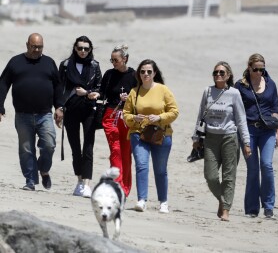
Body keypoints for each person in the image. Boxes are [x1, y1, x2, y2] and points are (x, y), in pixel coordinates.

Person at [0, 33, 64, 191]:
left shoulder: (49, 63)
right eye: (34, 46)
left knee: (49, 145)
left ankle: (43, 169)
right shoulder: (16, 62)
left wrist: (59, 107)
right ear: (27, 45)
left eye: (40, 47)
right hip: (23, 115)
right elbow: (3, 84)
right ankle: (30, 180)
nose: (37, 49)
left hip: (45, 114)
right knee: (26, 149)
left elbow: (57, 87)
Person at [192, 61, 251, 221]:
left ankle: (225, 209)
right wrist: (196, 137)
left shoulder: (234, 93)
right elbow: (200, 115)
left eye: (222, 73)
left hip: (230, 138)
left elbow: (241, 119)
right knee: (210, 176)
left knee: (228, 176)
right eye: (216, 72)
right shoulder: (208, 91)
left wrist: (246, 142)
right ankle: (223, 200)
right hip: (210, 138)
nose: (218, 75)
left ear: (228, 75)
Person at [123, 59, 179, 213]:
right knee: (141, 166)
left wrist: (159, 118)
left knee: (160, 169)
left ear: (154, 73)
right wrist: (135, 118)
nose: (146, 74)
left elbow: (174, 112)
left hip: (161, 135)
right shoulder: (134, 92)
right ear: (138, 74)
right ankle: (141, 200)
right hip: (138, 134)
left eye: (149, 71)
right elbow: (126, 115)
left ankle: (163, 202)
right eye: (142, 71)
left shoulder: (163, 90)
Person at [235, 53, 278, 218]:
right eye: (256, 69)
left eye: (262, 69)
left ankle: (268, 206)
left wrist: (277, 132)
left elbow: (274, 109)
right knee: (253, 169)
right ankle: (252, 209)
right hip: (248, 131)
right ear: (249, 67)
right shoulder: (240, 86)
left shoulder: (270, 84)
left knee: (266, 165)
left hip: (268, 130)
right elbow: (234, 109)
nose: (259, 72)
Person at [59, 36, 102, 198]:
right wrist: (59, 108)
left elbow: (100, 88)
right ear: (75, 48)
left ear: (90, 50)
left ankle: (87, 184)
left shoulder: (95, 66)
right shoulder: (65, 65)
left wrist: (88, 93)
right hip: (70, 110)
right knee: (75, 148)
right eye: (80, 48)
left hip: (89, 110)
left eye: (86, 49)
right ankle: (78, 181)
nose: (83, 51)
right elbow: (59, 88)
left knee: (88, 147)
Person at [92, 44, 137, 197]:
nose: (113, 63)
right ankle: (117, 184)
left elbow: (141, 97)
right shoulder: (109, 74)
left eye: (116, 60)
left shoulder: (134, 76)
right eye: (111, 60)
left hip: (128, 117)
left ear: (125, 59)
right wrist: (95, 95)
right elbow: (102, 93)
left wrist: (129, 98)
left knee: (126, 151)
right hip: (111, 116)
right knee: (115, 150)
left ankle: (125, 187)